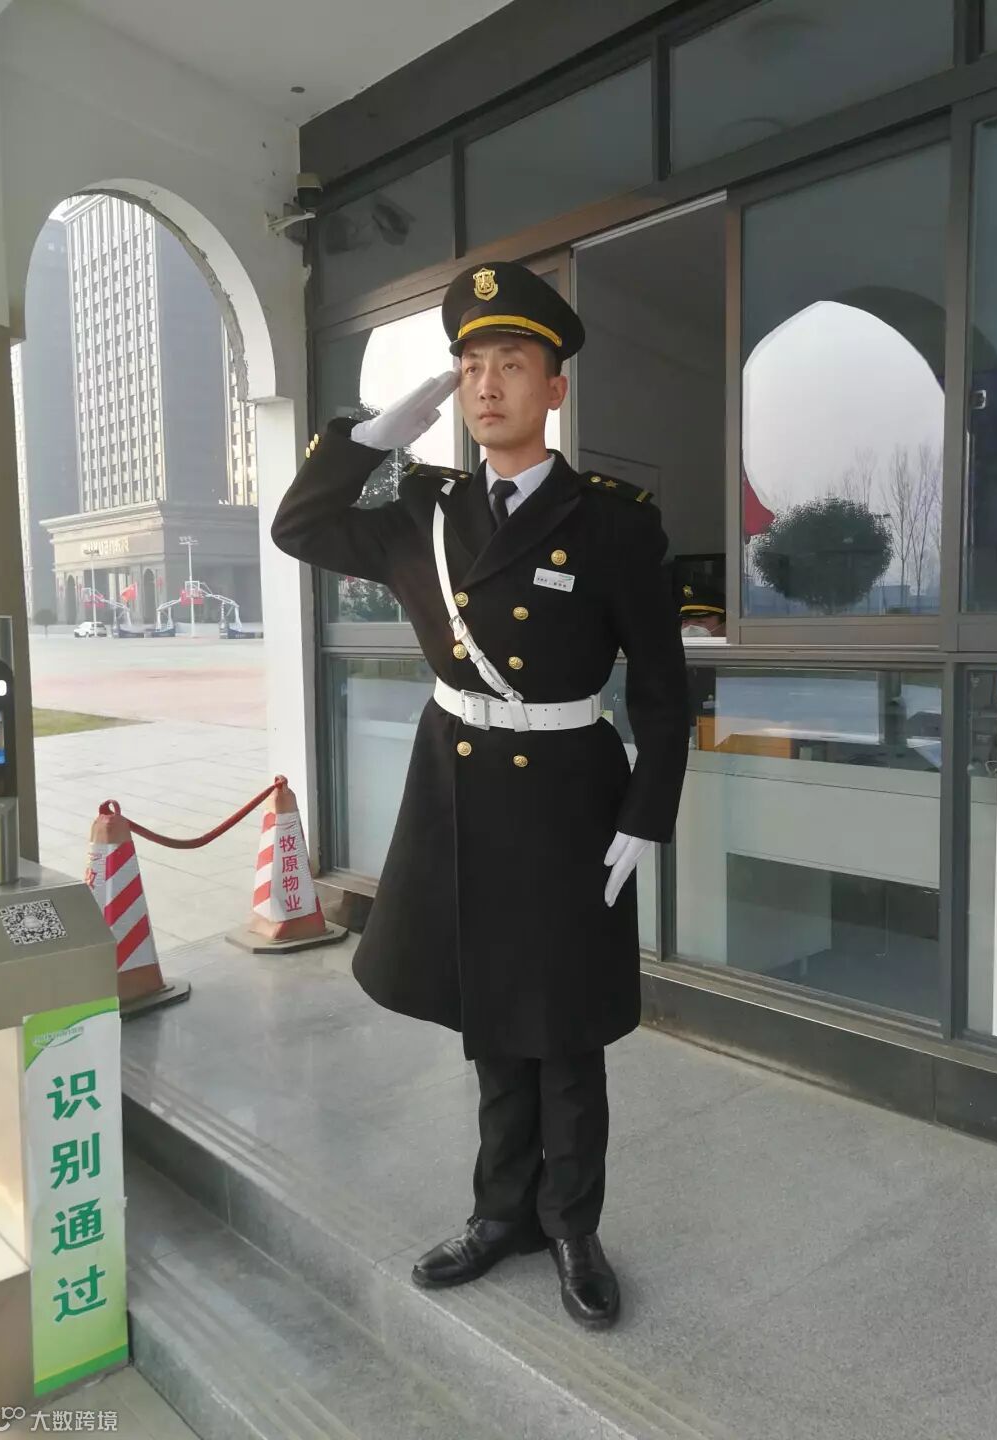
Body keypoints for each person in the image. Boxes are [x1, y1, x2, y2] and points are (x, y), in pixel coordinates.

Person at [272, 261, 689, 1329]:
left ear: (555, 388)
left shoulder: (613, 522)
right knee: (492, 1018)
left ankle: (572, 1226)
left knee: (567, 1029)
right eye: (469, 366)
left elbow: (662, 686)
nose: (487, 384)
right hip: (460, 791)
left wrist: (648, 811)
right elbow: (300, 527)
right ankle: (501, 1214)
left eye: (512, 363)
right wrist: (371, 436)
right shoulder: (425, 506)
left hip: (571, 800)